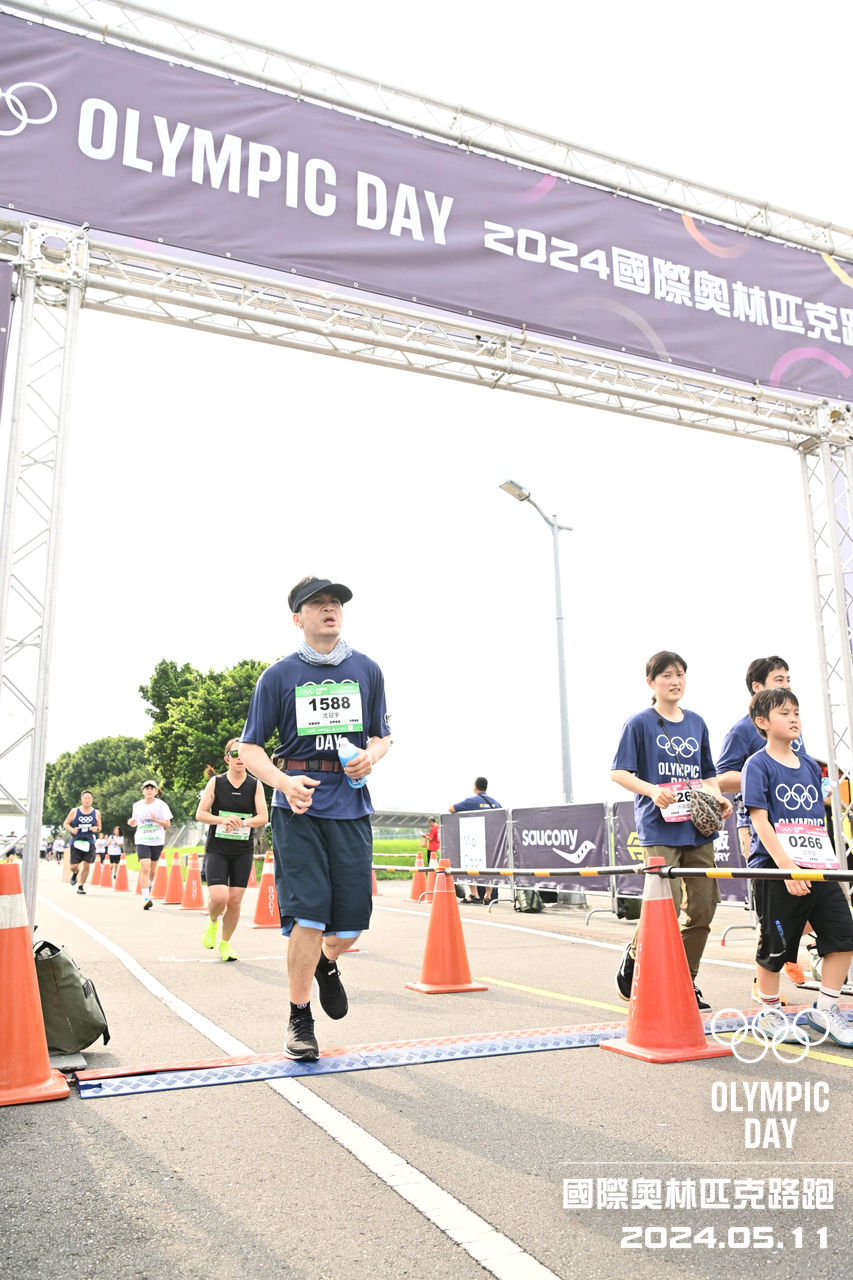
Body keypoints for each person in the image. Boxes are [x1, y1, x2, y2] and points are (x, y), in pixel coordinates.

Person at [239, 576, 391, 1062]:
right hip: (298, 807)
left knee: (350, 926)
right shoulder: (278, 676)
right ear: (297, 618)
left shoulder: (367, 669)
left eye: (336, 603)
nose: (330, 609)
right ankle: (299, 1016)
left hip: (351, 804)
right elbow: (250, 747)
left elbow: (382, 735)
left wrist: (371, 756)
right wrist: (283, 783)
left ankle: (327, 962)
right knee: (307, 914)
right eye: (318, 603)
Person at [610, 650, 732, 1010]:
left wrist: (717, 796)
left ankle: (685, 980)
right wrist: (652, 791)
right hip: (659, 826)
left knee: (704, 905)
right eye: (666, 675)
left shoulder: (697, 723)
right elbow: (618, 772)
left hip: (697, 827)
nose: (675, 681)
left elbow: (707, 774)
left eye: (680, 674)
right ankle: (636, 955)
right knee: (666, 904)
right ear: (651, 682)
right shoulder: (639, 723)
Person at [742, 687, 853, 1047]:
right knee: (775, 946)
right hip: (778, 870)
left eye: (796, 712)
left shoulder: (808, 765)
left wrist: (827, 865)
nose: (793, 719)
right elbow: (760, 820)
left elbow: (814, 822)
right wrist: (787, 867)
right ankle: (770, 1011)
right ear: (762, 722)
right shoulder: (757, 765)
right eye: (784, 713)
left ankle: (827, 1010)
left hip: (818, 867)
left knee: (844, 934)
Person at [715, 655, 810, 991]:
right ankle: (766, 975)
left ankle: (788, 951)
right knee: (772, 904)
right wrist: (762, 776)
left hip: (799, 826)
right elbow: (720, 777)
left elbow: (803, 766)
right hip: (756, 824)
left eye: (788, 679)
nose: (787, 684)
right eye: (778, 679)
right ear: (757, 687)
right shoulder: (743, 729)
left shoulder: (793, 724)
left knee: (812, 897)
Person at [196, 738, 269, 962]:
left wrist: (243, 823)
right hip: (218, 848)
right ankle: (212, 922)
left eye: (243, 754)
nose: (239, 758)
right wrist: (223, 820)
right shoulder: (216, 783)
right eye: (235, 754)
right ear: (227, 759)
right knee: (219, 897)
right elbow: (201, 814)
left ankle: (225, 943)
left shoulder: (255, 784)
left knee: (235, 901)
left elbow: (263, 817)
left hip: (242, 851)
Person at [448, 778, 501, 903]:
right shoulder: (495, 803)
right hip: (492, 840)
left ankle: (475, 895)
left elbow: (451, 809)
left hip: (474, 841)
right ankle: (488, 896)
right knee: (490, 868)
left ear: (475, 787)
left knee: (470, 865)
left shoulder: (471, 801)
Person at [128, 781, 172, 910]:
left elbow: (167, 824)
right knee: (145, 867)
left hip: (157, 840)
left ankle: (149, 886)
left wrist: (156, 820)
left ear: (156, 791)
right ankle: (145, 897)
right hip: (142, 840)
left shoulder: (161, 805)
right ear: (142, 791)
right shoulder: (137, 805)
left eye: (152, 788)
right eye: (146, 788)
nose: (149, 790)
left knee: (152, 870)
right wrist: (131, 822)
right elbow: (134, 822)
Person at [63, 790, 101, 895]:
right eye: (85, 798)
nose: (87, 800)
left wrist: (96, 829)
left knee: (87, 865)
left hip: (89, 841)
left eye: (89, 798)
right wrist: (72, 830)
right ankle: (75, 873)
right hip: (76, 841)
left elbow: (99, 827)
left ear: (92, 800)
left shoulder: (96, 812)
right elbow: (65, 823)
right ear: (81, 799)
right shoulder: (75, 811)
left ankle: (81, 886)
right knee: (73, 866)